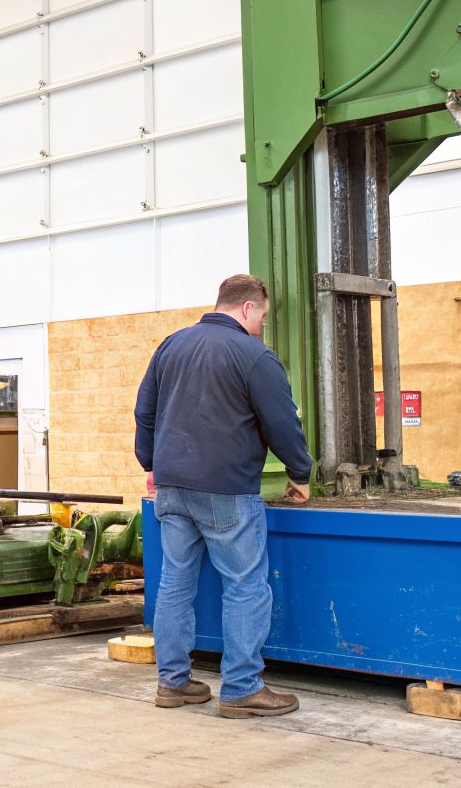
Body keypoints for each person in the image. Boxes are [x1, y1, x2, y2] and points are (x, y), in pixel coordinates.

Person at [134, 273, 314, 718]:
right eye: (264, 318)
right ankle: (241, 688)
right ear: (248, 309)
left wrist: (151, 464)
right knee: (245, 586)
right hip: (226, 490)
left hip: (172, 487)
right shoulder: (254, 355)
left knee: (175, 583)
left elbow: (145, 411)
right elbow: (281, 423)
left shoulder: (171, 345)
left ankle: (172, 684)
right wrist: (300, 472)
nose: (262, 327)